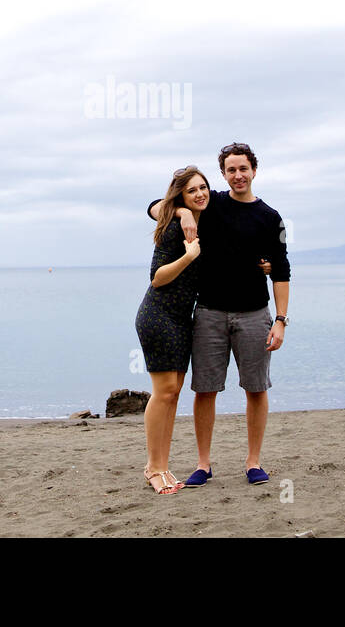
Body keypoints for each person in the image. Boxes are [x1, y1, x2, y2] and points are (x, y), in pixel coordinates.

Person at [147, 142, 290, 487]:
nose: (238, 175)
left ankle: (253, 462)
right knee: (205, 390)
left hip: (255, 314)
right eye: (231, 170)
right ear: (223, 175)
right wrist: (182, 214)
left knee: (256, 389)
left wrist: (281, 320)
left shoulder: (270, 217)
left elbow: (282, 271)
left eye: (243, 169)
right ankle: (203, 464)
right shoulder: (210, 204)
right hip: (209, 314)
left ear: (254, 170)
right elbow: (154, 207)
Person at [134, 165, 210, 494]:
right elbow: (157, 277)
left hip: (182, 319)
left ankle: (162, 465)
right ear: (180, 196)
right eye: (191, 190)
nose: (200, 194)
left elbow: (156, 205)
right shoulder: (173, 228)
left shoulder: (202, 220)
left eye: (203, 187)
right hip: (158, 315)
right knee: (163, 392)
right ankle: (154, 467)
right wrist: (189, 256)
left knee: (173, 394)